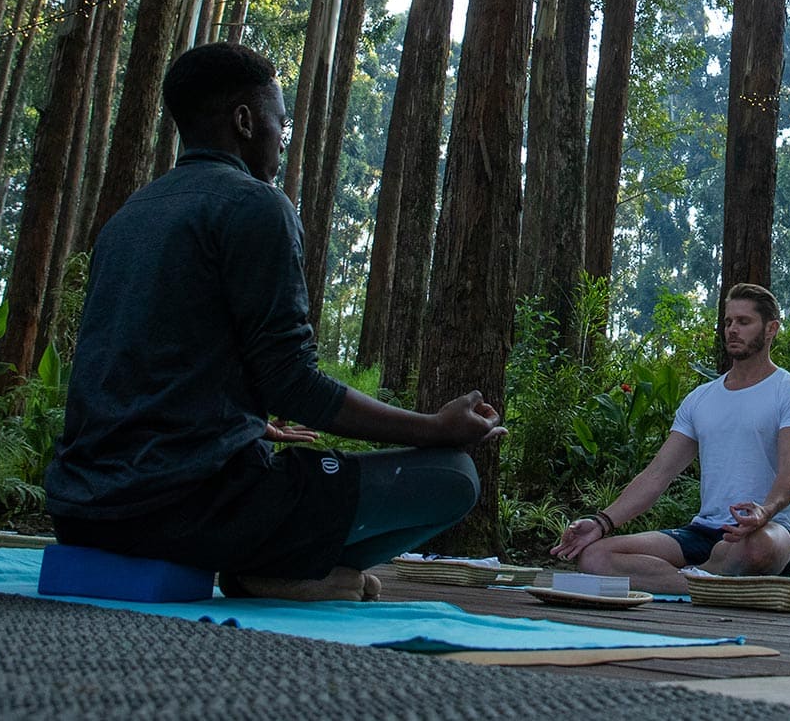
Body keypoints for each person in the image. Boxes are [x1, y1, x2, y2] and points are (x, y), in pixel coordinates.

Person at [44, 42, 504, 601]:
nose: (282, 138)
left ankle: (276, 564)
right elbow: (295, 383)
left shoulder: (127, 217)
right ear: (244, 120)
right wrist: (435, 427)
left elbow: (137, 370)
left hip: (81, 511)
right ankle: (276, 567)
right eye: (278, 121)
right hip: (186, 509)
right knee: (453, 476)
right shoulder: (255, 204)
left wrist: (241, 423)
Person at [550, 284, 790, 594]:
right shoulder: (701, 399)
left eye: (744, 322)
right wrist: (600, 523)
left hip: (767, 531)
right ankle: (706, 579)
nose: (732, 330)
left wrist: (764, 511)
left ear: (771, 328)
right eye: (728, 322)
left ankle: (701, 576)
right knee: (596, 557)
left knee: (757, 550)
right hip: (703, 533)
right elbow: (657, 474)